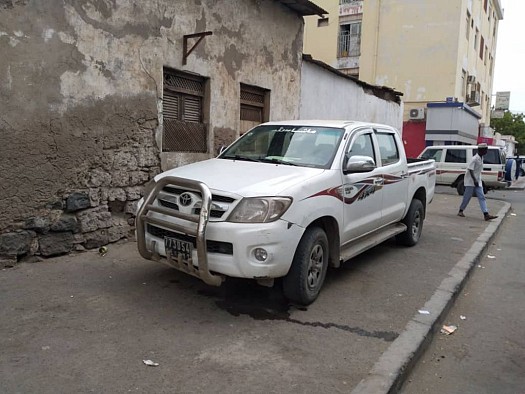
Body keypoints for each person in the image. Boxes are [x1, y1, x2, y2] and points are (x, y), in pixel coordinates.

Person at [457, 143, 498, 221]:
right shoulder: (475, 159)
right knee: (467, 197)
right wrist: (474, 180)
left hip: (477, 181)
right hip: (470, 181)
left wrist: (477, 180)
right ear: (481, 150)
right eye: (485, 150)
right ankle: (461, 210)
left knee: (482, 197)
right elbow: (470, 169)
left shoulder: (481, 158)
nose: (486, 151)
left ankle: (486, 214)